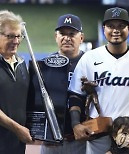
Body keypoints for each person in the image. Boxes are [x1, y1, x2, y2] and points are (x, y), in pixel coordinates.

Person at [68, 7, 129, 154]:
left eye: (121, 26)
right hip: (97, 130)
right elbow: (75, 94)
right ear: (104, 29)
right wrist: (75, 124)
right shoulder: (90, 58)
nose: (116, 30)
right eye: (111, 26)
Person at [40, 14, 87, 154]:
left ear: (81, 38)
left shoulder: (91, 63)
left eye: (72, 33)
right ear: (56, 37)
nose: (67, 38)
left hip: (81, 141)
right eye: (62, 33)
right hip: (51, 141)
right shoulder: (45, 65)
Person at [0, 10, 33, 154]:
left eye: (19, 36)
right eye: (10, 36)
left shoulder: (21, 64)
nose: (16, 41)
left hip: (16, 145)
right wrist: (18, 129)